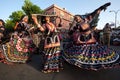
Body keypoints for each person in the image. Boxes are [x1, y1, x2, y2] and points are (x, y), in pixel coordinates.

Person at [62, 2, 120, 70]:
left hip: (90, 37)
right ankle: (81, 61)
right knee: (82, 50)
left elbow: (94, 12)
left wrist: (102, 7)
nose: (76, 19)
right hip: (82, 39)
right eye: (75, 19)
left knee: (94, 49)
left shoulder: (87, 19)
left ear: (80, 17)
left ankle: (96, 61)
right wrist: (67, 35)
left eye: (77, 17)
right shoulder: (77, 25)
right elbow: (71, 32)